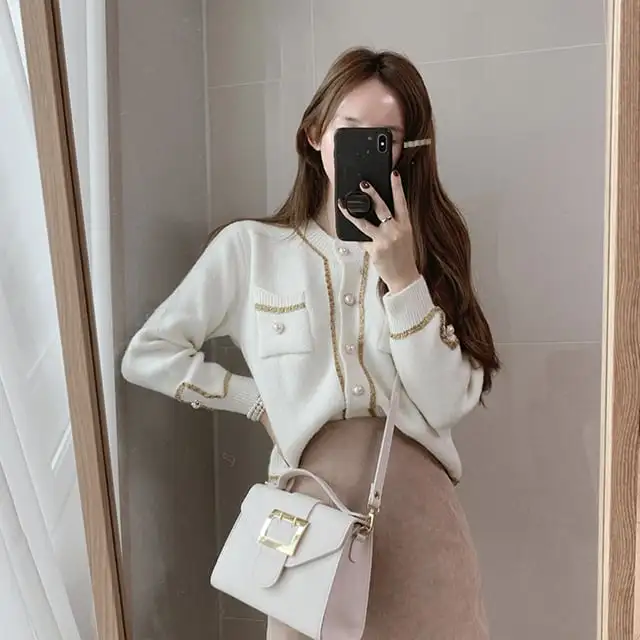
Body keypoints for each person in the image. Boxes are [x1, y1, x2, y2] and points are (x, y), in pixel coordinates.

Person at [122, 47, 500, 639]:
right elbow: (148, 354)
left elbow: (448, 403)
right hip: (306, 533)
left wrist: (403, 280)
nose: (366, 149)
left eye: (385, 138)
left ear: (405, 153)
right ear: (315, 133)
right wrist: (253, 401)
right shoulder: (250, 250)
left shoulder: (430, 253)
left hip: (424, 528)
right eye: (351, 130)